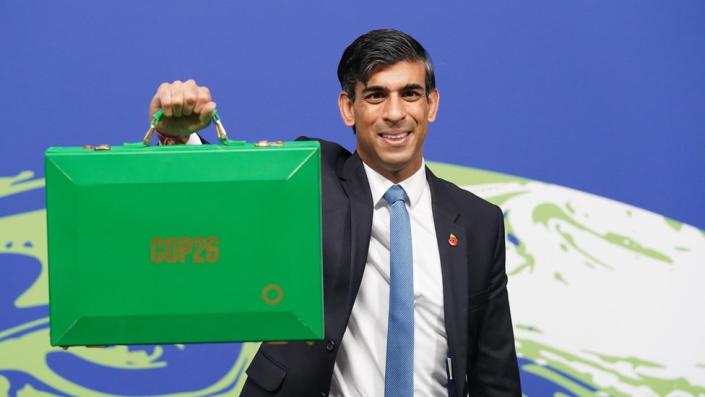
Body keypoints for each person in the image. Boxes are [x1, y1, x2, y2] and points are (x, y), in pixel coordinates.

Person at [150, 29, 520, 397]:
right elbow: (226, 202)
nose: (395, 113)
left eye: (410, 94)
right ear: (348, 108)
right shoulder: (309, 179)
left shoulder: (477, 222)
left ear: (432, 105)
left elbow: (496, 376)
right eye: (376, 96)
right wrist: (181, 140)